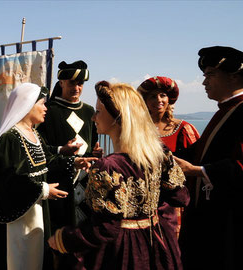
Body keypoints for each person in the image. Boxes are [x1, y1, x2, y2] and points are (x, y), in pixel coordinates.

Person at [48, 81, 189, 270]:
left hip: (124, 253)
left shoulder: (107, 167)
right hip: (156, 243)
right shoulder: (158, 153)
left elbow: (105, 229)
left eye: (98, 111)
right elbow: (181, 196)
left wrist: (62, 239)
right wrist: (147, 213)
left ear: (117, 117)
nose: (93, 118)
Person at [0, 83, 97, 270]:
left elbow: (47, 159)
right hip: (17, 217)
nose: (46, 108)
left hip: (36, 209)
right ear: (27, 105)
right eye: (42, 103)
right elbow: (9, 180)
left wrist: (73, 162)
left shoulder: (34, 134)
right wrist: (44, 189)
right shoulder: (10, 138)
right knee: (18, 258)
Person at [174, 46, 243, 270]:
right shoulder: (227, 110)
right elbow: (200, 151)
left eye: (210, 74)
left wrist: (197, 171)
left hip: (227, 221)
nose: (204, 82)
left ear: (234, 75)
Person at [36, 60, 99, 268]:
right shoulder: (49, 111)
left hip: (85, 181)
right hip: (60, 182)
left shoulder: (90, 111)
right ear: (61, 82)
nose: (77, 87)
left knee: (84, 232)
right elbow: (41, 150)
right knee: (59, 235)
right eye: (72, 82)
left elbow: (91, 143)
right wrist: (63, 152)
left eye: (81, 83)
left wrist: (94, 153)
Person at [138, 76, 200, 238]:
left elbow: (197, 167)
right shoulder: (138, 131)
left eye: (162, 95)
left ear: (169, 99)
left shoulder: (184, 130)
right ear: (144, 101)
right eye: (152, 96)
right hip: (143, 202)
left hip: (175, 205)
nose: (158, 100)